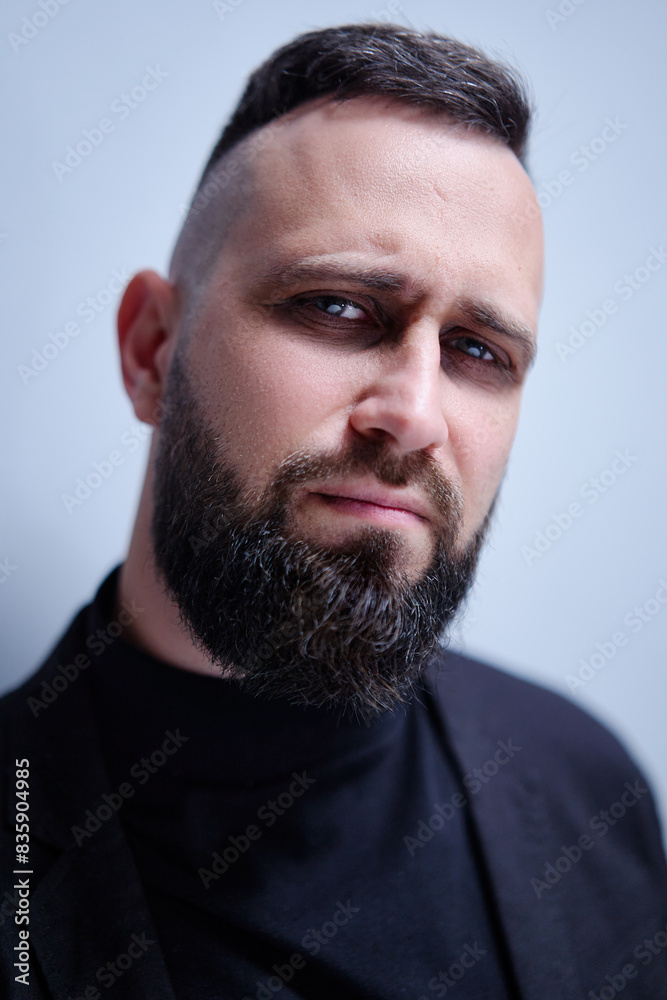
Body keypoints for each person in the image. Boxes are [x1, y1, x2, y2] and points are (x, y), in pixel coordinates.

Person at [1, 22, 665, 1000]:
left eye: (479, 350)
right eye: (340, 308)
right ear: (151, 350)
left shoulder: (588, 787)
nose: (413, 415)